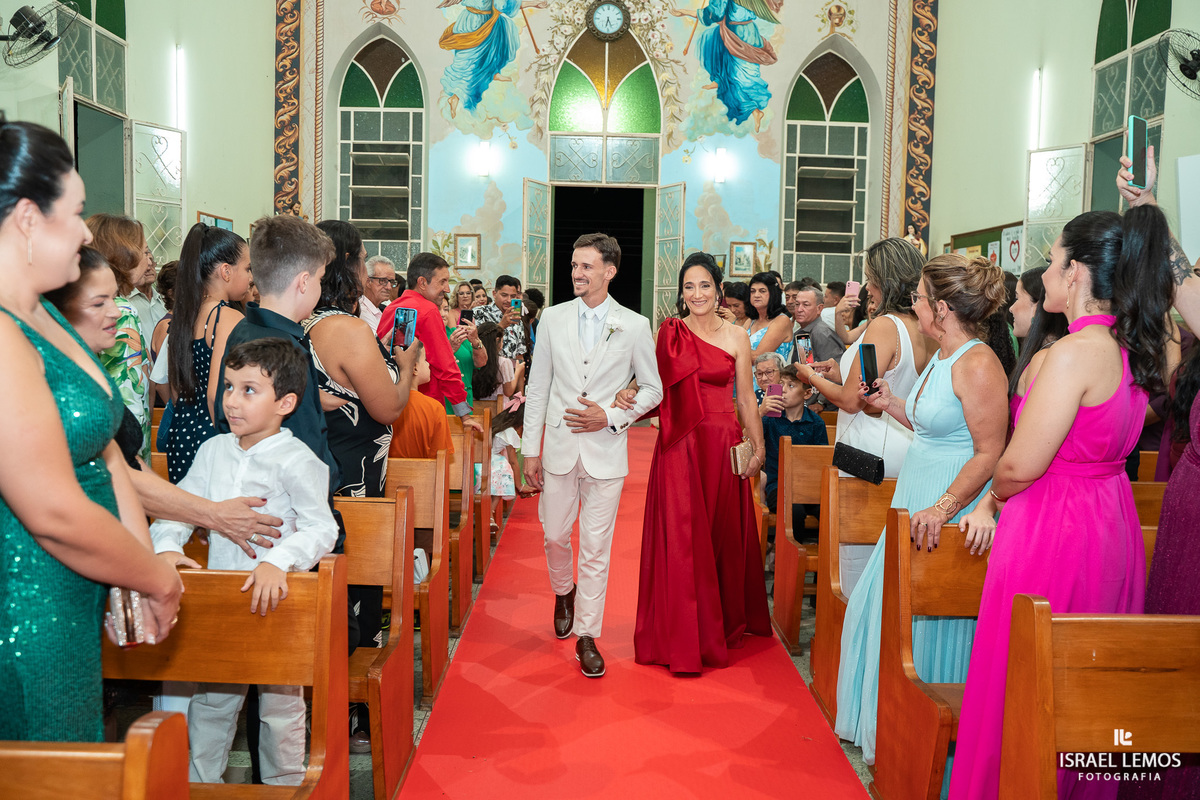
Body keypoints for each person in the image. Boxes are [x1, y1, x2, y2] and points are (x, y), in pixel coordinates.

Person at [950, 204, 1174, 799]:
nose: (1045, 274)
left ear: (1076, 272)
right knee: (1084, 694)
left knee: (1026, 687)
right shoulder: (1132, 350)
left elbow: (1023, 462)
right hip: (1109, 524)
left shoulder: (1075, 352)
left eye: (1052, 261)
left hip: (1054, 528)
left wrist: (989, 499)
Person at [0, 117, 182, 742]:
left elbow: (105, 448)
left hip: (72, 595)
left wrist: (136, 566)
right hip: (23, 604)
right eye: (74, 214)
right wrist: (155, 576)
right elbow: (49, 508)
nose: (85, 232)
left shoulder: (43, 311)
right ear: (27, 218)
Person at [834, 253, 1010, 766]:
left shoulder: (978, 362)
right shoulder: (941, 354)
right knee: (881, 606)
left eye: (919, 298)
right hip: (917, 491)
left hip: (947, 499)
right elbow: (933, 424)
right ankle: (892, 731)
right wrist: (892, 404)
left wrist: (944, 507)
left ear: (943, 307)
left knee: (928, 619)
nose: (912, 304)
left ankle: (920, 748)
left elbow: (989, 451)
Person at [151, 338, 338, 785]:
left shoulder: (298, 461)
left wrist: (280, 561)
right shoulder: (213, 450)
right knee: (212, 701)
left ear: (286, 403)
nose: (232, 400)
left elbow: (321, 528)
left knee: (281, 708)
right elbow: (181, 508)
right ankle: (200, 786)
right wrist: (169, 548)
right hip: (222, 602)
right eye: (229, 387)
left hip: (279, 600)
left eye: (249, 390)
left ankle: (285, 787)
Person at [522, 232, 662, 677]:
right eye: (574, 265)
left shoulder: (635, 325)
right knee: (555, 536)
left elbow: (654, 388)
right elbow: (538, 386)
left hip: (606, 451)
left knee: (597, 549)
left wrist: (613, 417)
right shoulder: (553, 319)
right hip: (560, 446)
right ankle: (564, 590)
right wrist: (530, 449)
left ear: (609, 271)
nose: (576, 273)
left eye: (586, 266)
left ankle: (587, 635)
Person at [632, 251, 770, 673]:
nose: (696, 294)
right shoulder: (670, 333)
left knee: (719, 534)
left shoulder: (736, 337)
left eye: (704, 285)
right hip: (679, 446)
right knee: (682, 537)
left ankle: (719, 623)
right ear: (681, 292)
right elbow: (653, 387)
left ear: (719, 289)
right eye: (688, 287)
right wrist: (628, 395)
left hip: (722, 442)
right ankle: (684, 634)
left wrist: (758, 448)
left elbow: (746, 398)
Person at [304, 221, 416, 498]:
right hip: (352, 470)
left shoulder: (307, 319)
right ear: (346, 263)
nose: (365, 273)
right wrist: (405, 367)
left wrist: (377, 349)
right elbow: (388, 410)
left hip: (322, 460)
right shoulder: (347, 328)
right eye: (363, 260)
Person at [162, 223, 250, 483]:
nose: (250, 277)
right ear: (225, 271)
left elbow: (176, 390)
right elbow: (215, 395)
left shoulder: (183, 316)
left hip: (181, 433)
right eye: (247, 268)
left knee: (188, 518)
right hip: (210, 434)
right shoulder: (227, 317)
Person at [378, 252, 477, 424]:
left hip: (390, 405)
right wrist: (464, 414)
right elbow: (445, 365)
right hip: (423, 407)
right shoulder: (428, 311)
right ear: (422, 282)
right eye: (442, 282)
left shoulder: (391, 308)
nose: (447, 289)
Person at [88, 213, 155, 460]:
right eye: (142, 251)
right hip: (125, 449)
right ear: (122, 255)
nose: (147, 260)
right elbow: (128, 389)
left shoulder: (100, 306)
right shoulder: (121, 311)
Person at [759, 364, 828, 536]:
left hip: (810, 487)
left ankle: (822, 556)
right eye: (781, 383)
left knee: (828, 510)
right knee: (794, 512)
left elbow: (823, 460)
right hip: (778, 487)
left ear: (807, 393)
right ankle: (791, 558)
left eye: (791, 385)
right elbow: (745, 441)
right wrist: (760, 412)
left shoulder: (816, 423)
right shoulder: (770, 419)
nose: (782, 390)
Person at [1007, 266, 1068, 403]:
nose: (1011, 308)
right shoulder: (1044, 353)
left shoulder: (1044, 359)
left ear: (1036, 307)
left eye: (1017, 298)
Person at [389, 342, 455, 461]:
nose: (428, 364)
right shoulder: (434, 408)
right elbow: (440, 459)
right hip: (422, 477)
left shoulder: (379, 404)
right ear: (414, 367)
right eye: (425, 360)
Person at [482, 395, 535, 501]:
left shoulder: (496, 423)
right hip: (488, 465)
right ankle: (491, 512)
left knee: (500, 465)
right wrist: (520, 485)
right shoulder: (510, 432)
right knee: (503, 468)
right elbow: (513, 462)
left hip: (479, 461)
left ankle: (490, 513)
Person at [441, 294, 485, 412]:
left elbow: (481, 362)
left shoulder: (457, 333)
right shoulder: (425, 338)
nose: (443, 314)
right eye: (438, 309)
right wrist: (450, 350)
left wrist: (476, 341)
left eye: (446, 309)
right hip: (441, 402)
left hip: (465, 401)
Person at [472, 274, 527, 361]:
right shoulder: (479, 313)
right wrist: (501, 326)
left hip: (511, 371)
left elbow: (520, 354)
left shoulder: (516, 319)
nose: (508, 300)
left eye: (513, 296)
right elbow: (477, 344)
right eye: (504, 295)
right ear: (494, 294)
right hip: (486, 370)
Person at [743, 272, 793, 366]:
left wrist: (732, 349)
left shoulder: (782, 321)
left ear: (773, 294)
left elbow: (757, 357)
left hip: (769, 378)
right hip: (745, 376)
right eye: (752, 291)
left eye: (762, 291)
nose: (756, 295)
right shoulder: (750, 321)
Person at [473, 321, 524, 402]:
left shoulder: (473, 359)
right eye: (502, 341)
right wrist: (517, 371)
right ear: (497, 341)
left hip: (476, 408)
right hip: (498, 409)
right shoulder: (504, 362)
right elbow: (508, 392)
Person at [128, 240, 167, 336]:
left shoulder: (164, 300)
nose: (148, 268)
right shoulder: (127, 301)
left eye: (151, 262)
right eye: (144, 263)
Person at [359, 254, 395, 333]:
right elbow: (378, 344)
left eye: (392, 282)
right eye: (383, 281)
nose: (389, 287)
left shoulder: (379, 309)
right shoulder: (362, 312)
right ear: (368, 282)